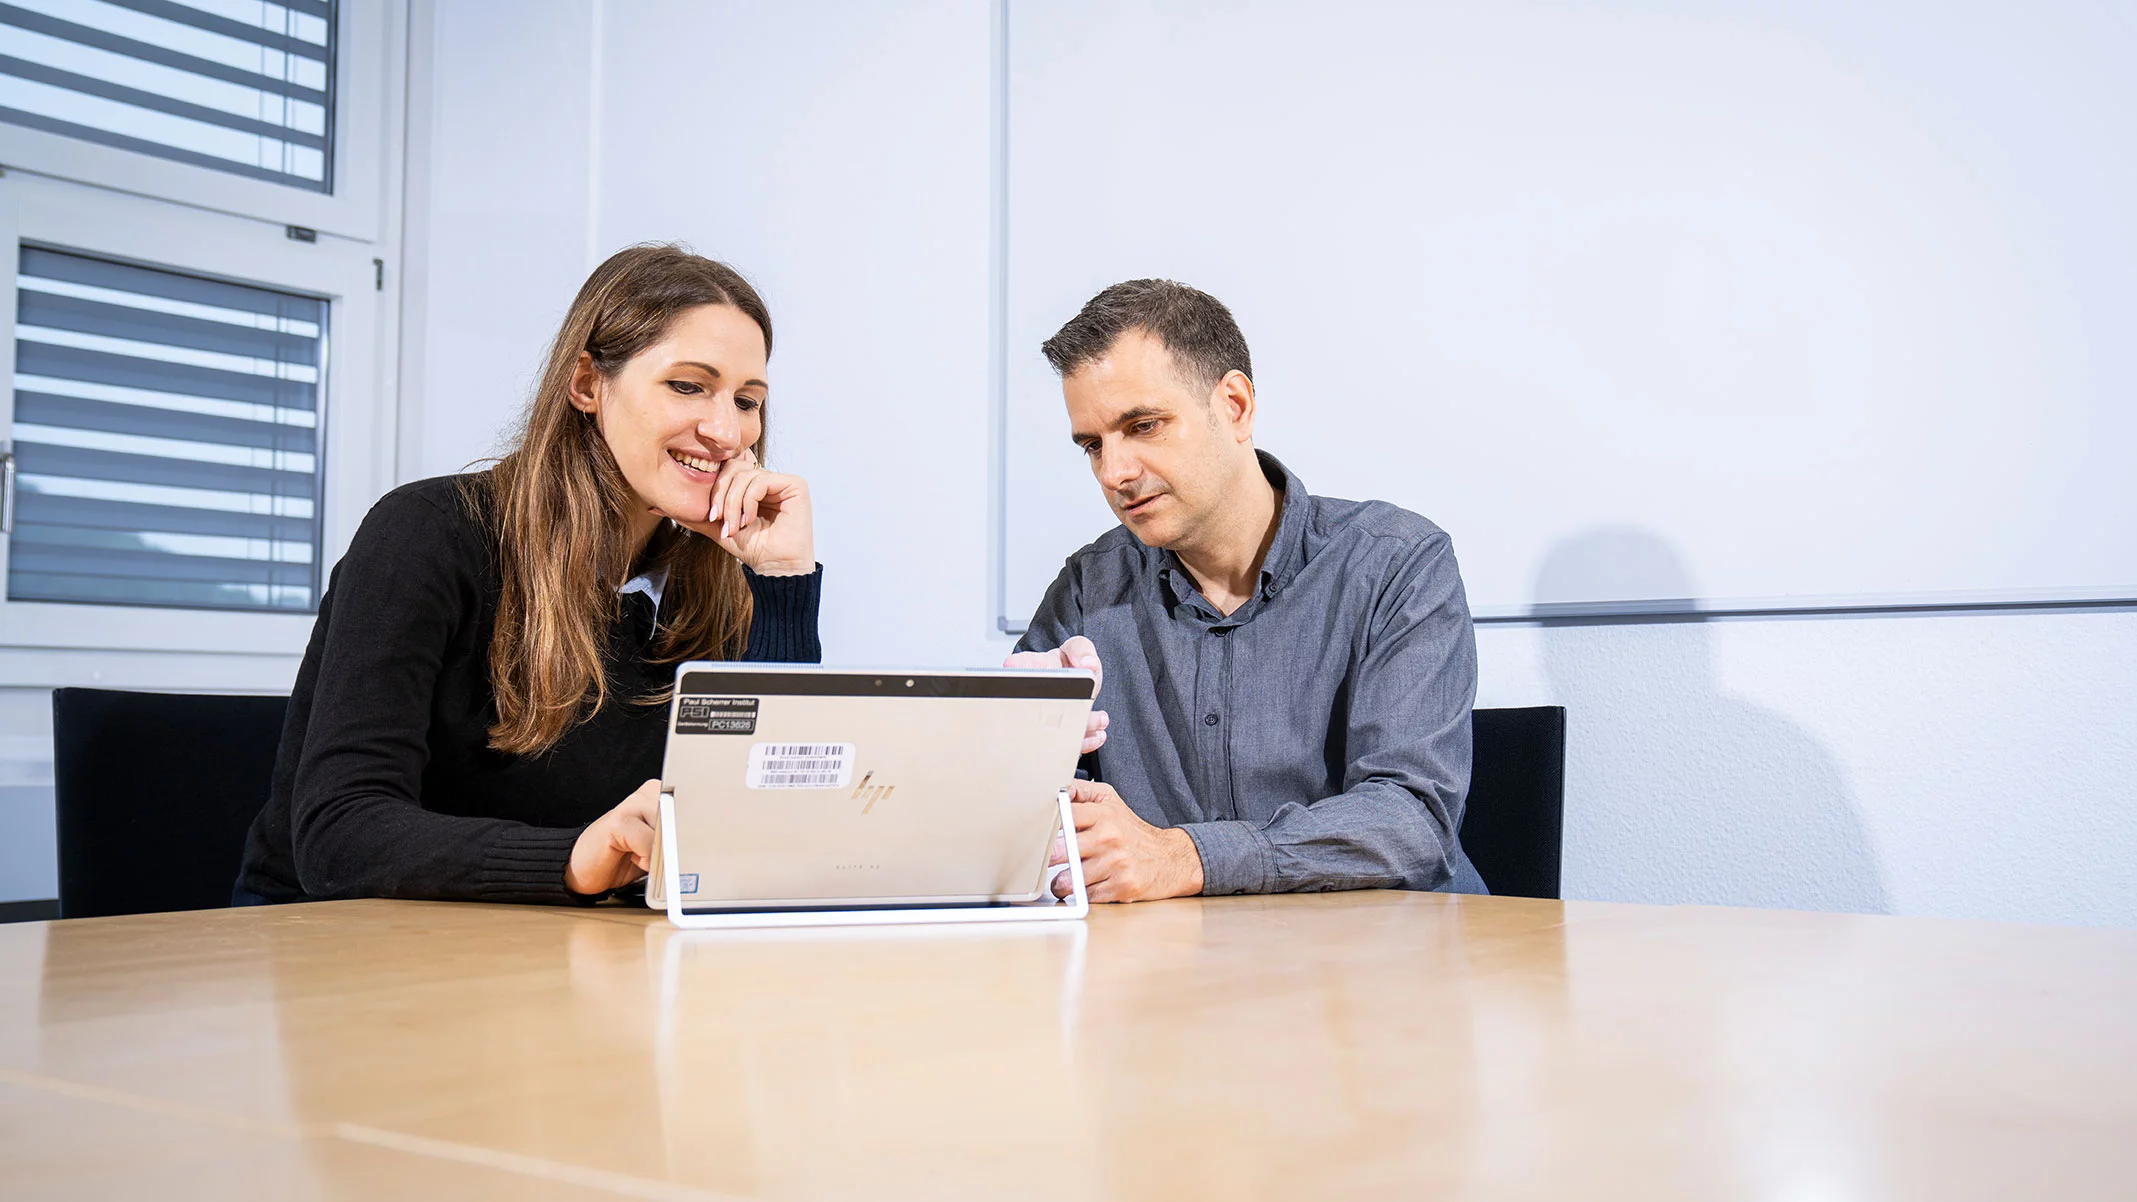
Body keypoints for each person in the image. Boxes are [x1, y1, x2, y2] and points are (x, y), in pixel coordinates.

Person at [236, 245, 821, 905]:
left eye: (747, 400)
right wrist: (575, 859)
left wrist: (782, 579)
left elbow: (769, 821)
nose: (726, 430)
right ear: (587, 384)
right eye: (687, 385)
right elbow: (340, 836)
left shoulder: (708, 583)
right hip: (346, 950)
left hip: (568, 950)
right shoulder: (428, 535)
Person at [1008, 279, 1487, 902]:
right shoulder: (1086, 590)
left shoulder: (1396, 565)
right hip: (1174, 971)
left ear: (1234, 406)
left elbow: (1411, 819)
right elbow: (1025, 824)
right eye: (1093, 446)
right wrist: (1021, 757)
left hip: (1381, 969)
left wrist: (1181, 857)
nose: (1114, 473)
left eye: (1143, 425)